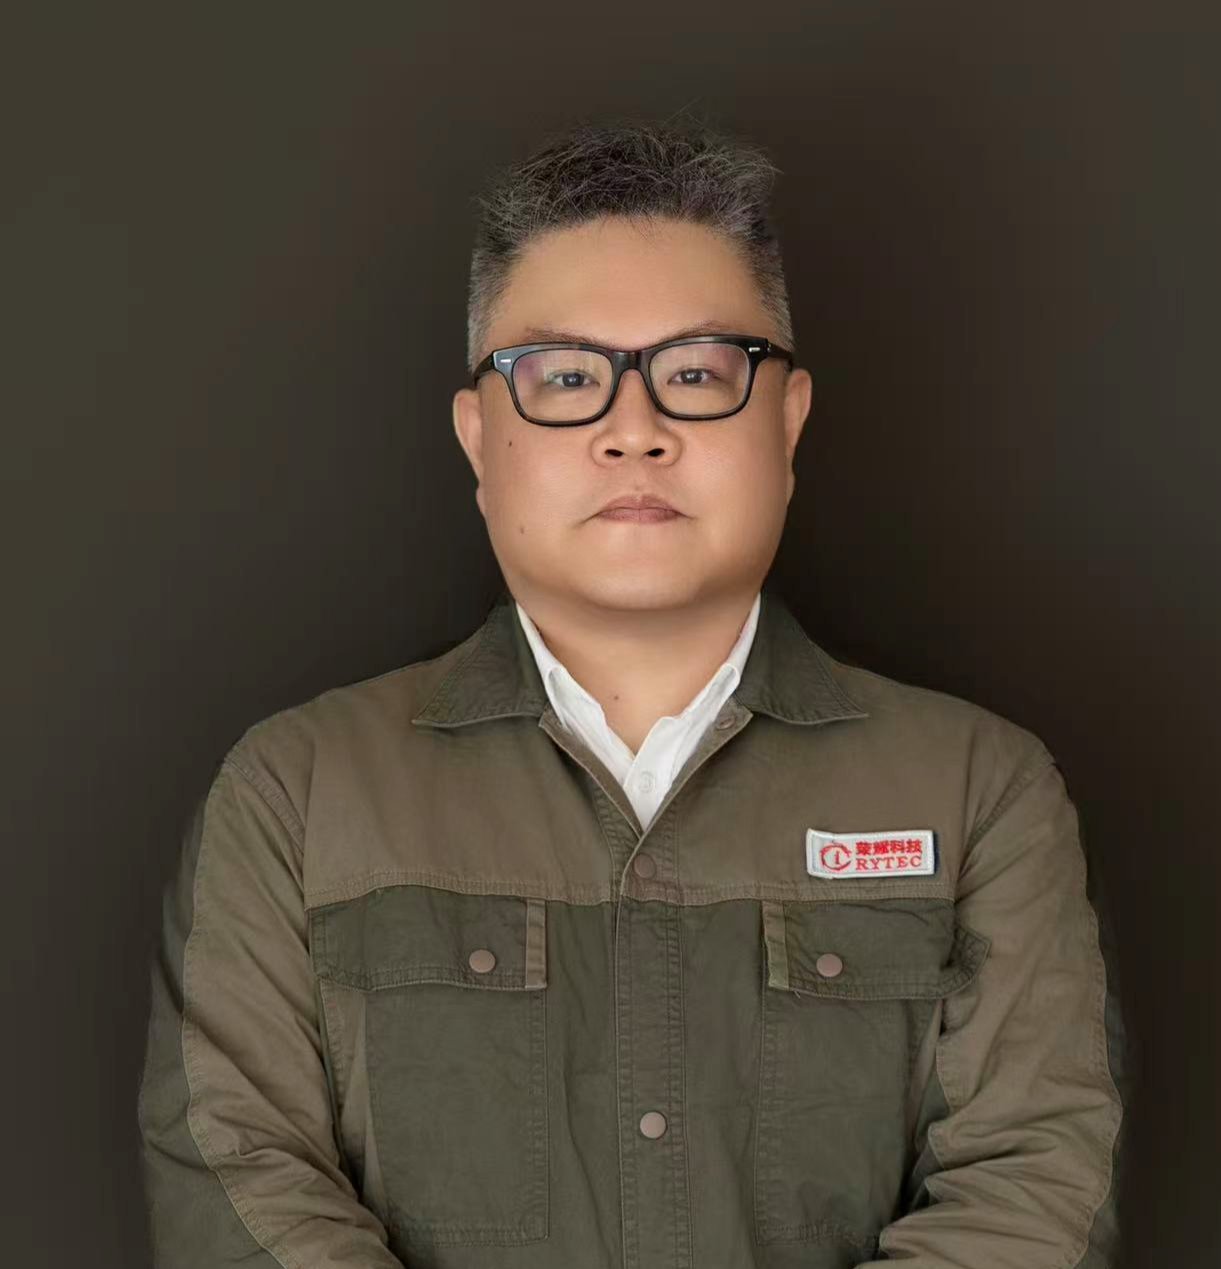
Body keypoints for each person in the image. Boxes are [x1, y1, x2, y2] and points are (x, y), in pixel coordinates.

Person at [136, 114, 1126, 1269]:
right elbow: (240, 1181)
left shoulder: (978, 793)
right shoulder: (298, 798)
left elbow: (1032, 1184)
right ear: (478, 438)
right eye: (566, 378)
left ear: (789, 423)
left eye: (697, 374)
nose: (635, 431)